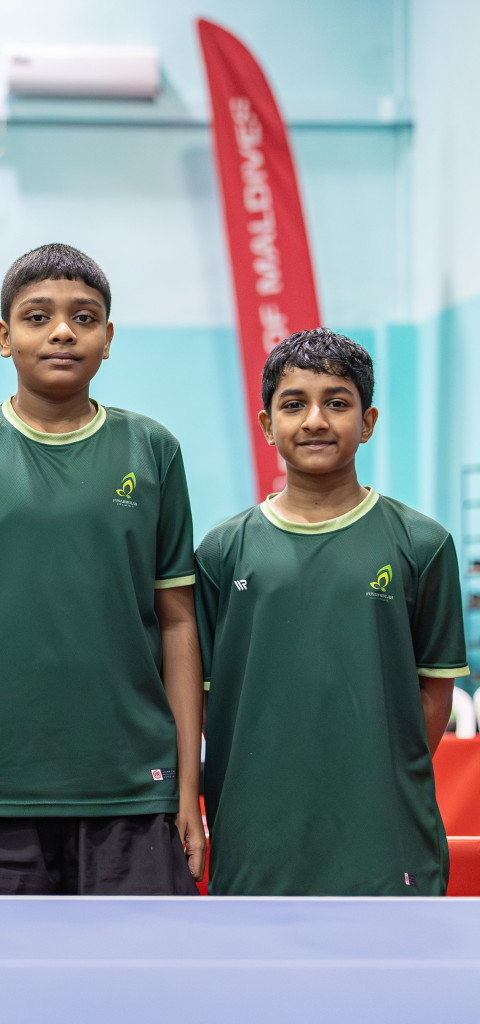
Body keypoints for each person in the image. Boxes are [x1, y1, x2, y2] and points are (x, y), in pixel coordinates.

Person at [0, 242, 203, 895]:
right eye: (38, 317)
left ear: (108, 338)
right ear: (4, 337)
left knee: (140, 964)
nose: (63, 331)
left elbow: (180, 624)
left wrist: (185, 789)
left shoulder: (153, 449)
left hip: (135, 793)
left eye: (84, 317)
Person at [196, 329, 468, 895]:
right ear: (267, 424)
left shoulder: (423, 544)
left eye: (337, 404)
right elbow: (203, 700)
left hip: (384, 838)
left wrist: (376, 776)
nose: (315, 421)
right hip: (256, 838)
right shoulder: (222, 551)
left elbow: (434, 694)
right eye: (294, 404)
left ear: (367, 423)